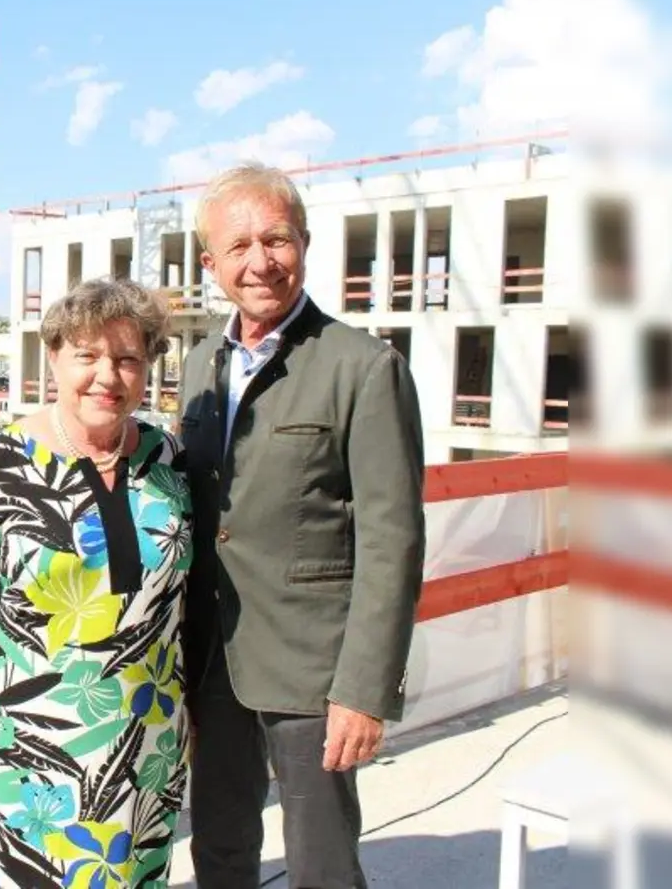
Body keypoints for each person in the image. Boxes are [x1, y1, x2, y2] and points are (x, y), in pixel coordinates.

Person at [179, 162, 425, 888]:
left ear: (306, 244)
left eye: (277, 239)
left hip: (316, 673)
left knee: (321, 864)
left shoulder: (363, 367)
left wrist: (363, 689)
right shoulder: (199, 365)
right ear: (210, 264)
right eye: (240, 246)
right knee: (219, 849)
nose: (261, 261)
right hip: (212, 661)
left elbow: (393, 538)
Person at [0, 278, 192, 888]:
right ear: (54, 357)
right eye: (88, 355)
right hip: (36, 759)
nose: (109, 375)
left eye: (128, 358)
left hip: (149, 748)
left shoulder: (168, 459)